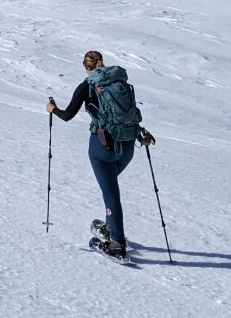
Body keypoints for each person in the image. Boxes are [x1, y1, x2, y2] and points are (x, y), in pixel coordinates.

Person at [46, 50, 152, 262]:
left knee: (111, 192)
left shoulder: (87, 85)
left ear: (86, 67)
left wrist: (52, 109)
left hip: (102, 147)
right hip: (128, 146)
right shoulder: (120, 82)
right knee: (110, 188)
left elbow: (67, 116)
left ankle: (117, 243)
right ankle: (111, 226)